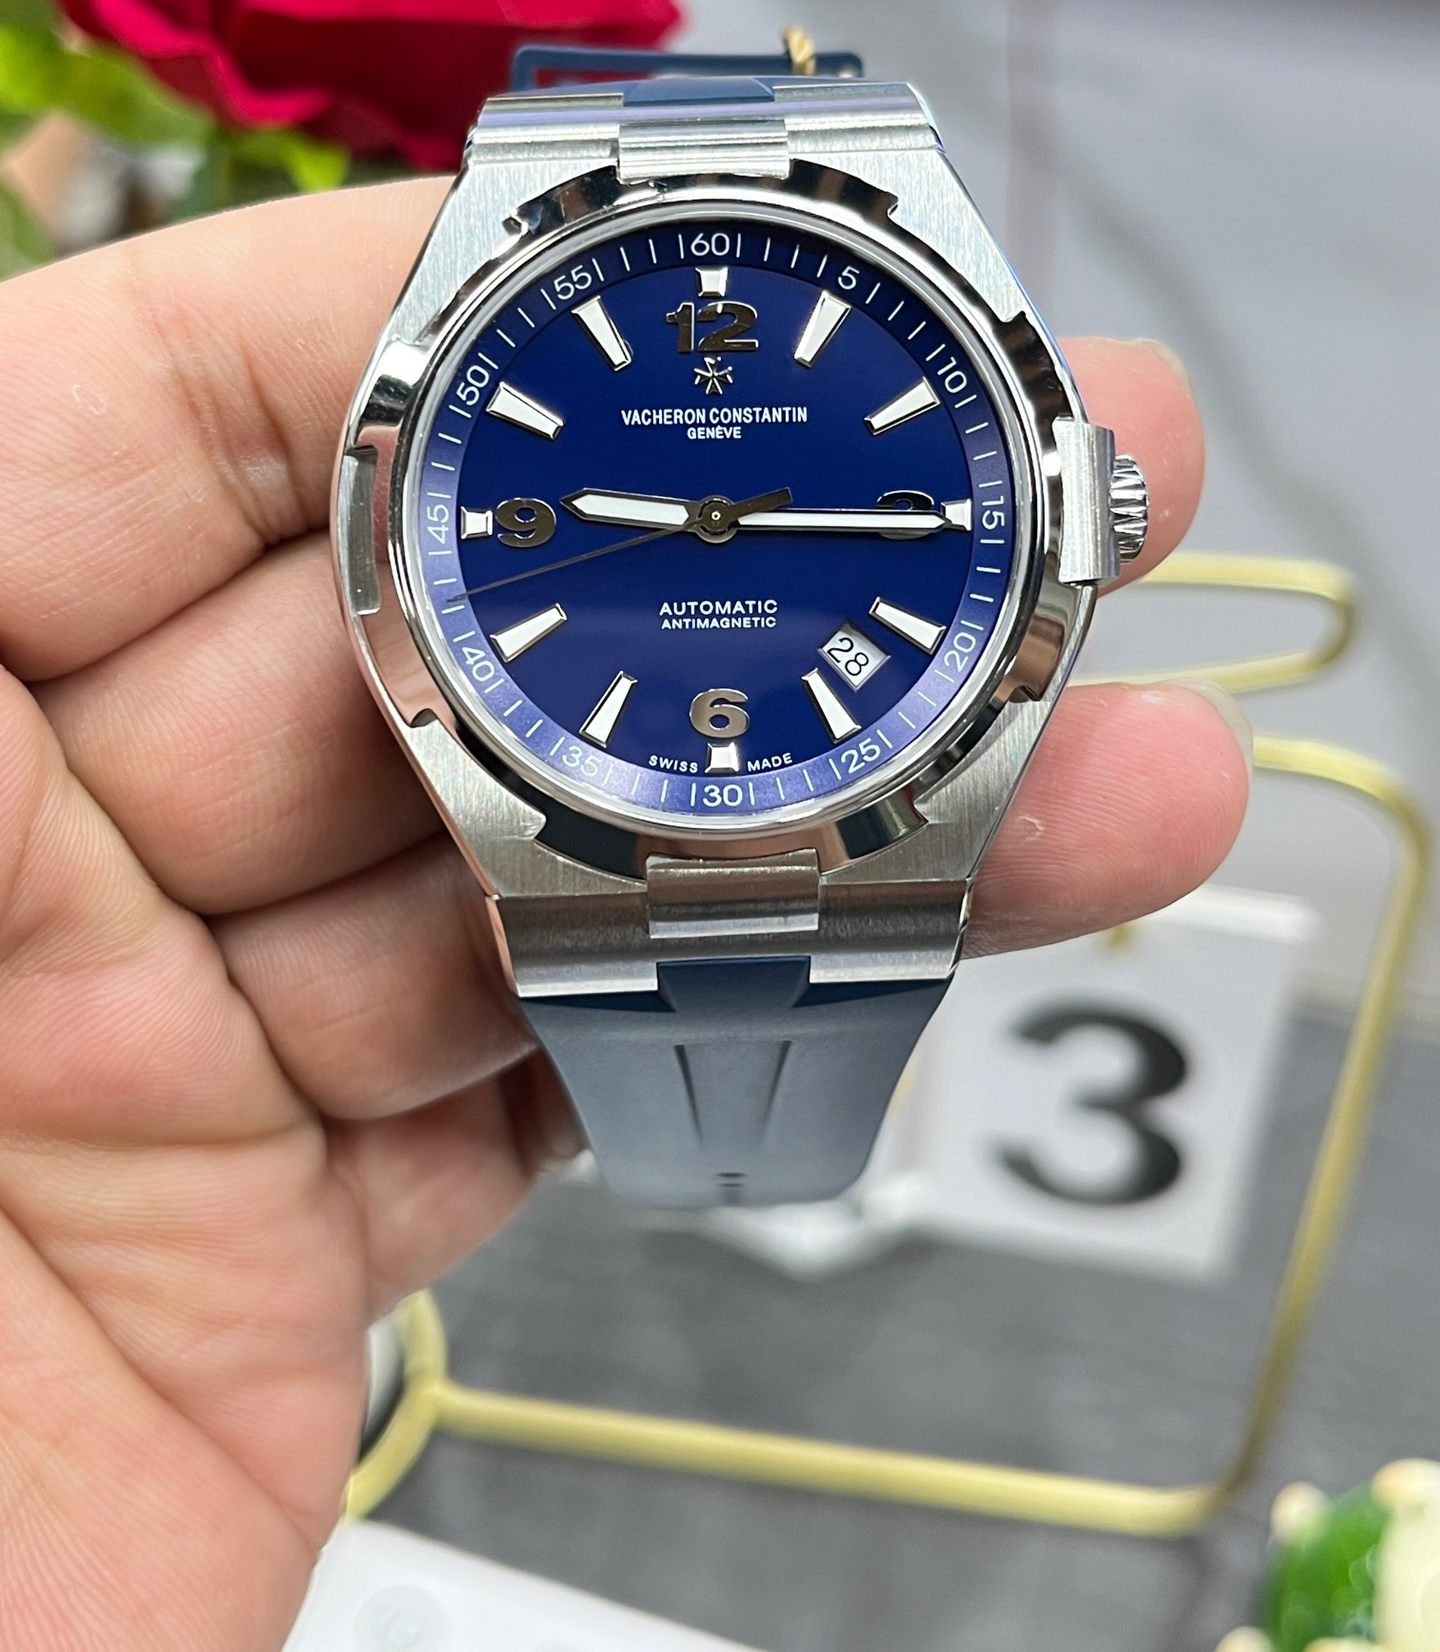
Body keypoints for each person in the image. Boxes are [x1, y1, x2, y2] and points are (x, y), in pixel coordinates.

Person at [0, 177, 1250, 1649]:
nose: (712, 522)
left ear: (1081, 509)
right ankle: (719, 1163)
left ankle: (749, 1162)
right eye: (692, 517)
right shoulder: (431, 546)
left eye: (723, 515)